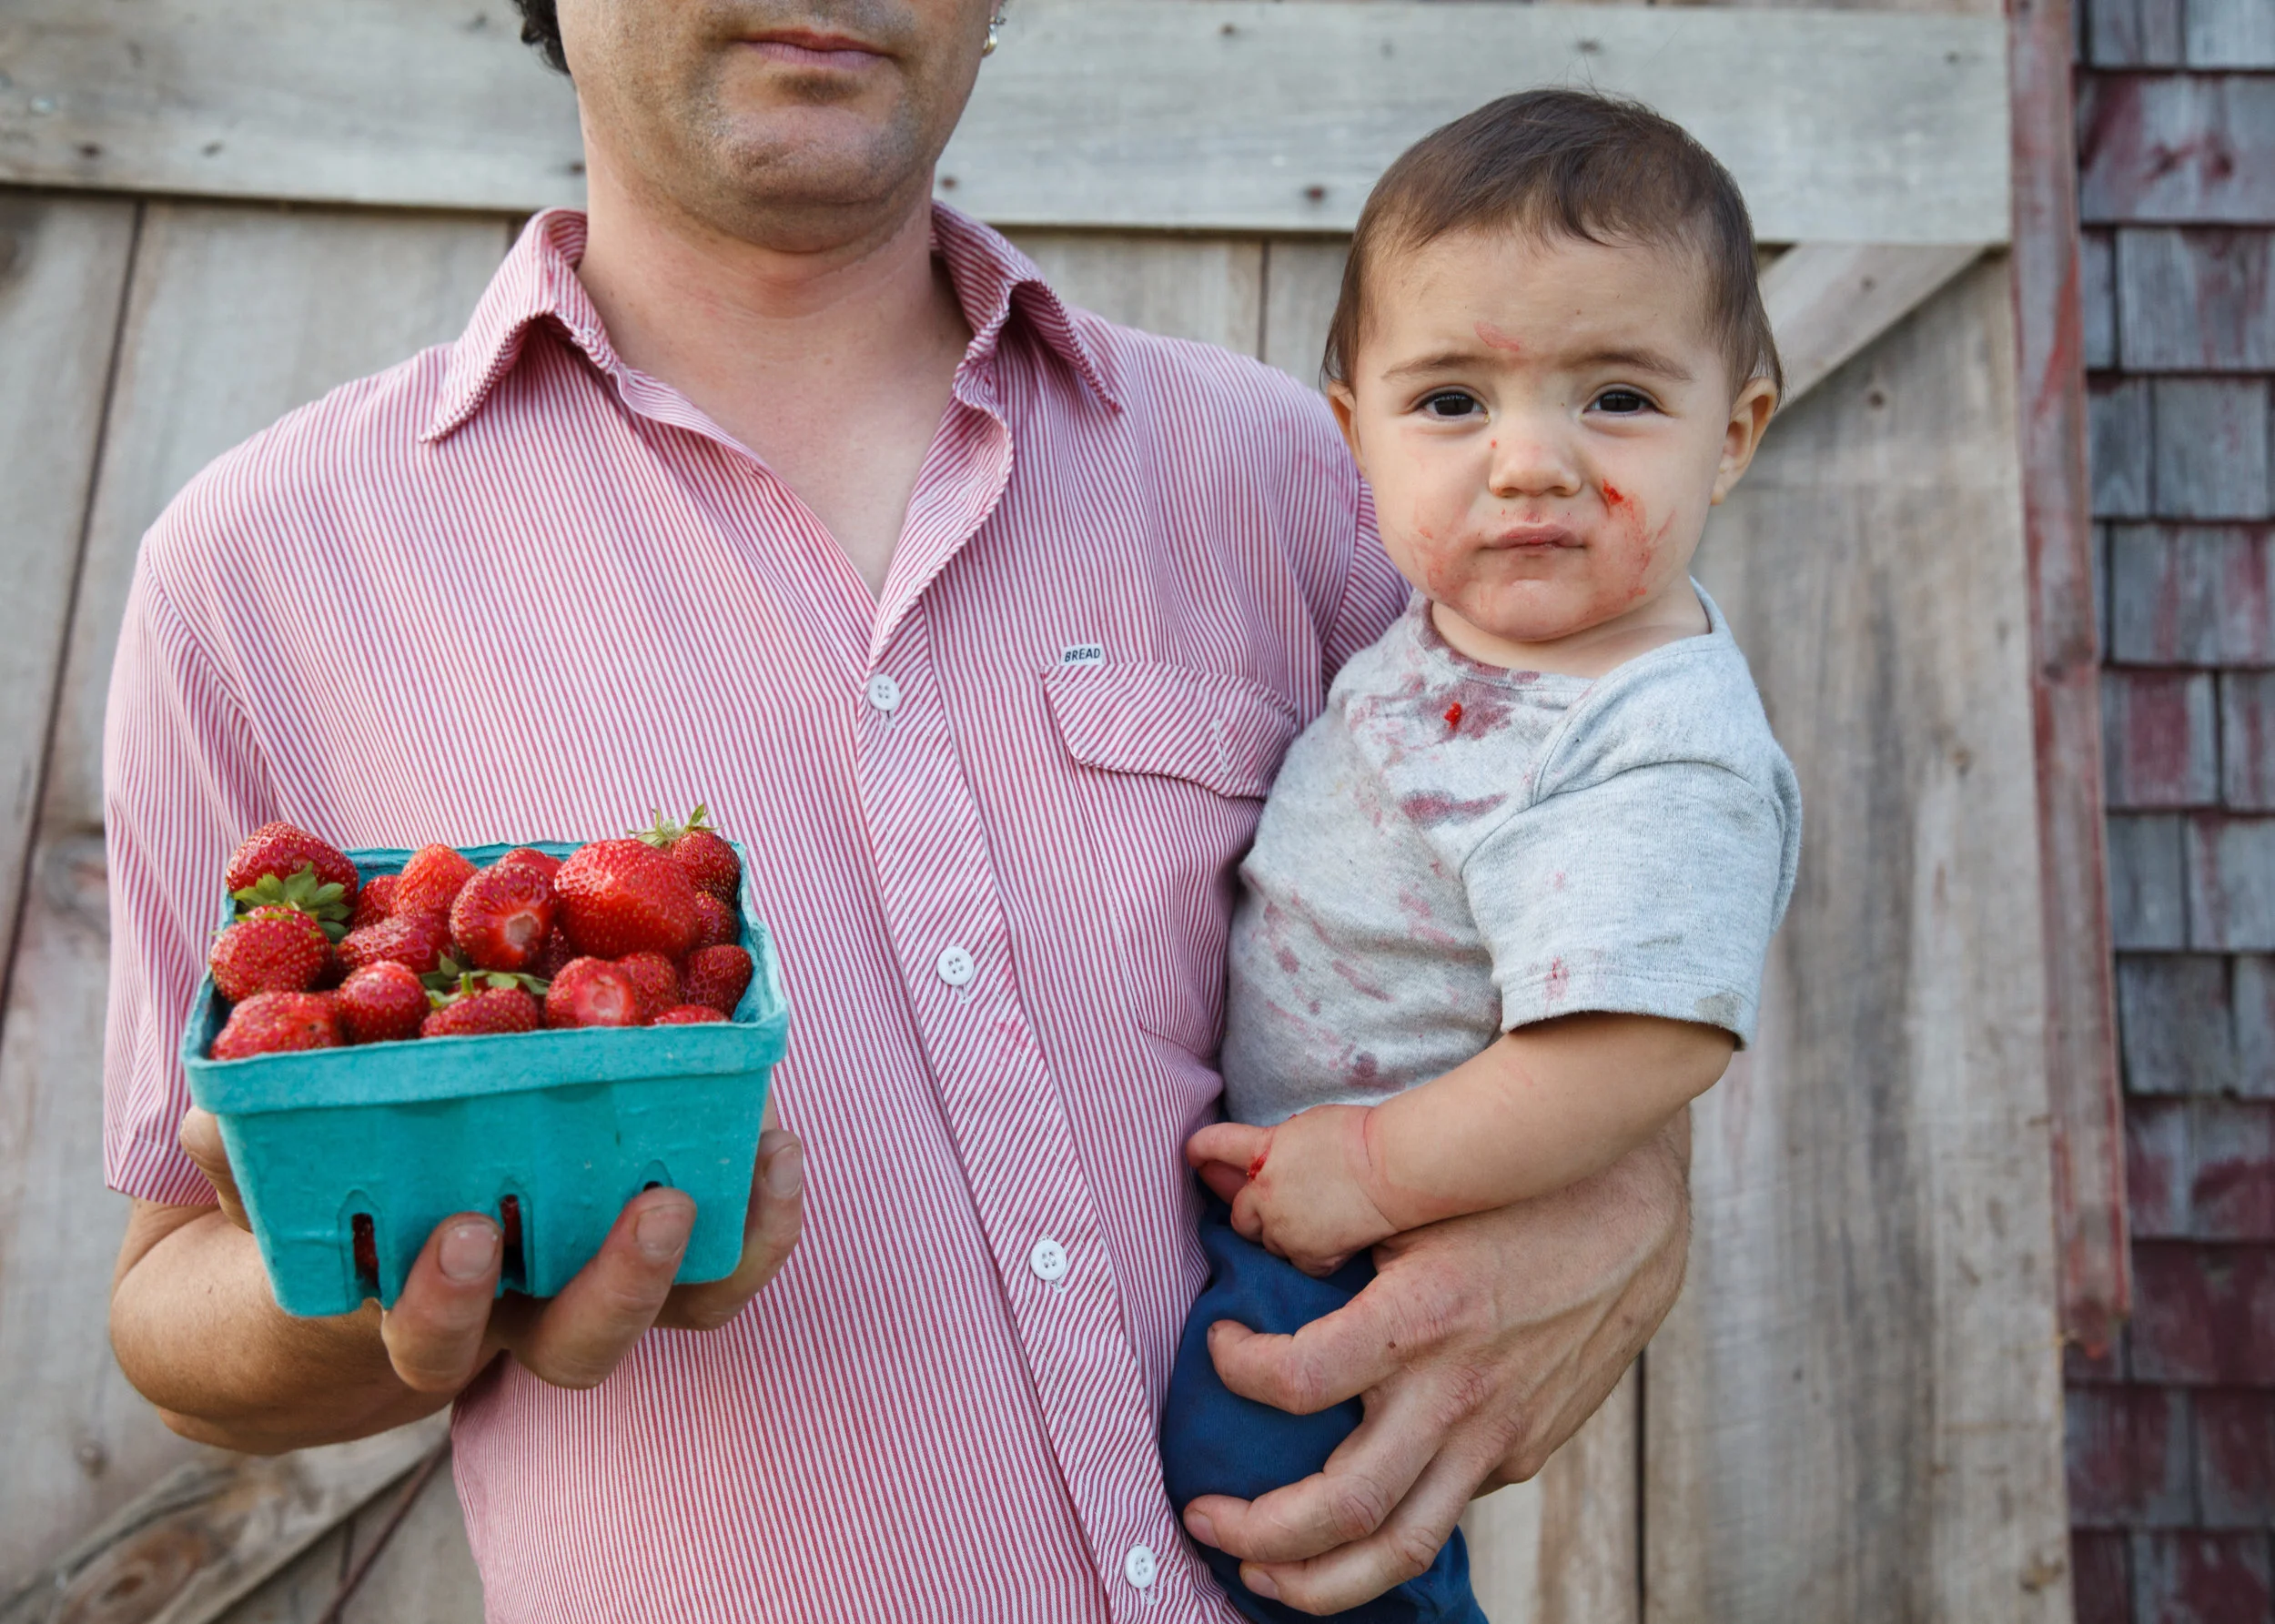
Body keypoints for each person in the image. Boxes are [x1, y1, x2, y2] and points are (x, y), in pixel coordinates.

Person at [101, 5, 1694, 1619]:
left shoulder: (1299, 477)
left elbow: (1589, 882)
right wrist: (407, 1277)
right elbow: (174, 1311)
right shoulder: (257, 571)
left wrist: (1631, 1197)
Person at [1155, 92, 1800, 1623]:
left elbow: (1637, 1046)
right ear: (1351, 436)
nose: (1528, 463)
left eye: (1618, 398)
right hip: (1302, 1181)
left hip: (1392, 1226)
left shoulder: (1658, 738)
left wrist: (1372, 1171)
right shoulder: (1452, 632)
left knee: (1276, 1488)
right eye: (1452, 403)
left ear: (1738, 431)